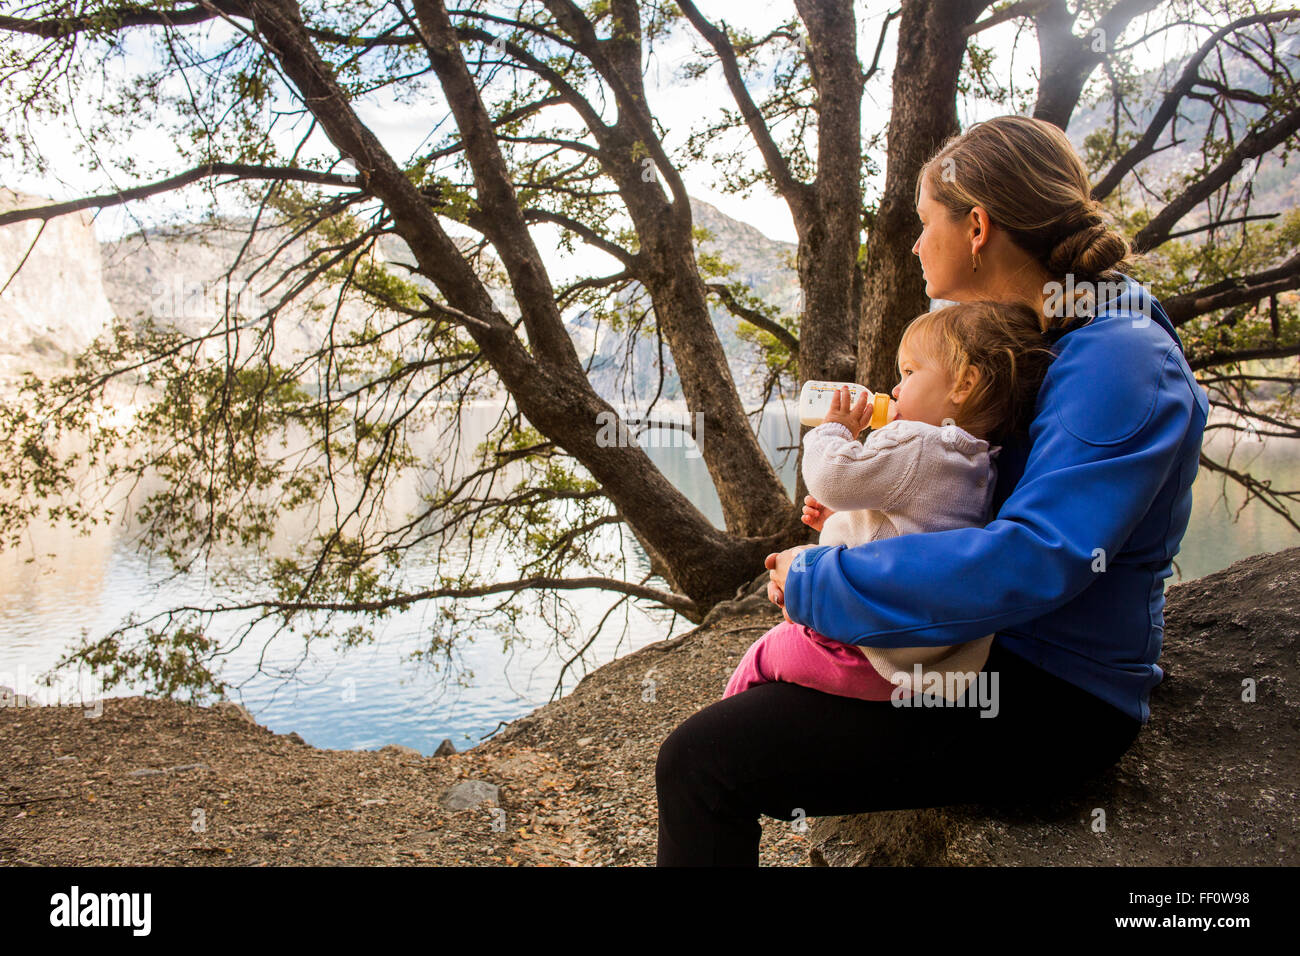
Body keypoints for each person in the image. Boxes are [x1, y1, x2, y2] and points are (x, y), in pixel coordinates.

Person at [655, 114, 1210, 866]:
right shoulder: (1036, 334)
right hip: (973, 646)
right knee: (730, 728)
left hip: (1052, 694)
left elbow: (1040, 556)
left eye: (924, 223)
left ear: (977, 226)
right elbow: (958, 498)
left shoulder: (1122, 362)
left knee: (701, 763)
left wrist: (828, 580)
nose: (914, 245)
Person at [722, 301, 1056, 703]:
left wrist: (834, 430)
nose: (896, 389)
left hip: (869, 653)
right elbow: (909, 524)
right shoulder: (976, 460)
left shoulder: (917, 444)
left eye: (910, 372)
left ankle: (729, 728)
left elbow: (830, 479)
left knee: (765, 652)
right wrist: (846, 517)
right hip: (925, 654)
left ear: (963, 384)